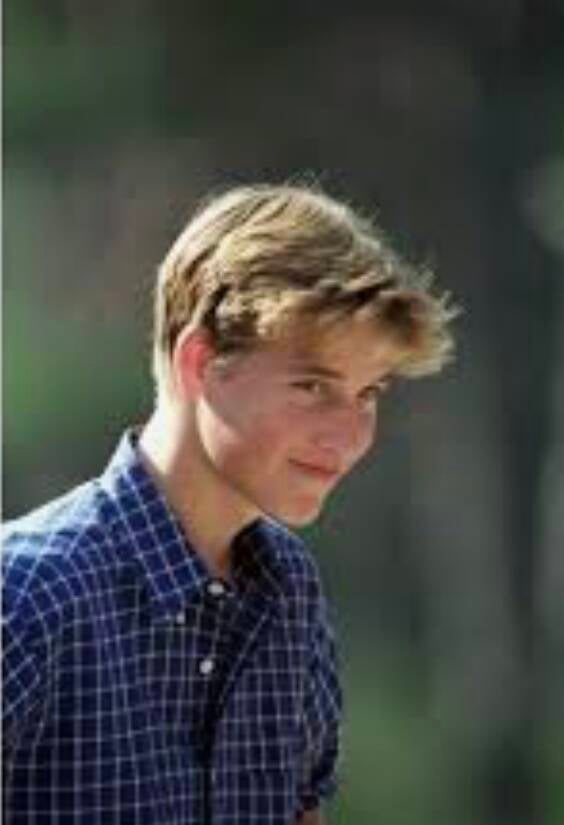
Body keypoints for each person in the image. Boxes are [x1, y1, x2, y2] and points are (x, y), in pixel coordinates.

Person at [2, 182, 456, 825]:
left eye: (368, 394)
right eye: (312, 386)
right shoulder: (25, 594)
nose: (348, 437)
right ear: (200, 362)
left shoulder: (291, 591)